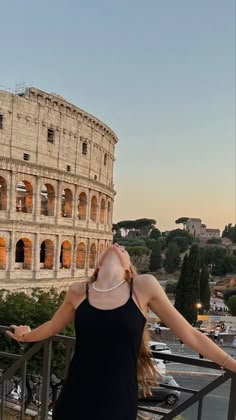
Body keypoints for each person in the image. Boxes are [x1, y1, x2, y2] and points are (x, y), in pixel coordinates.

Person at [6, 243, 236, 420]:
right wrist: (26, 335)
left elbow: (190, 333)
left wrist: (232, 364)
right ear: (97, 265)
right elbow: (52, 326)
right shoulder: (78, 291)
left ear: (128, 269)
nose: (117, 246)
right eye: (112, 246)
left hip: (117, 398)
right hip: (75, 392)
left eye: (123, 248)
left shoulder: (142, 286)